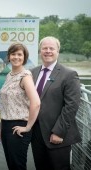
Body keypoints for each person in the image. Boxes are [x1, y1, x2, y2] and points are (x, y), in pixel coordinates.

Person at [31, 36, 81, 170]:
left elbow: (71, 106)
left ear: (58, 51)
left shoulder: (69, 74)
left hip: (57, 135)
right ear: (40, 51)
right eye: (44, 48)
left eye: (51, 48)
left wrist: (59, 132)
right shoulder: (32, 73)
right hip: (36, 135)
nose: (48, 51)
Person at [0, 42, 41, 170]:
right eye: (13, 54)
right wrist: (1, 127)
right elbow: (7, 105)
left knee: (18, 165)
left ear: (24, 57)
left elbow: (36, 103)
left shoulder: (25, 76)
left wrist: (28, 127)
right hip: (6, 126)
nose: (16, 57)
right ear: (9, 56)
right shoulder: (9, 75)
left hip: (19, 127)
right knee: (12, 164)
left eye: (19, 54)